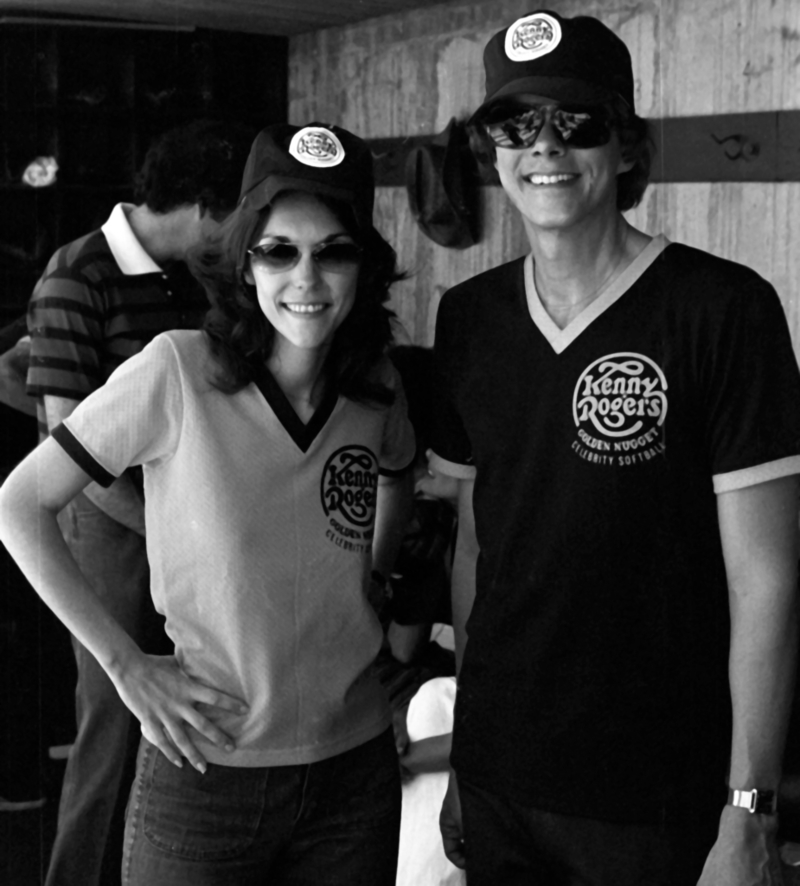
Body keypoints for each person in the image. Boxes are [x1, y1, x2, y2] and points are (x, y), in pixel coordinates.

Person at [431, 9, 800, 885]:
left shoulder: (725, 311)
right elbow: (479, 548)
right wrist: (462, 762)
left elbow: (769, 579)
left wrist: (749, 812)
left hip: (657, 793)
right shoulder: (469, 319)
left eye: (577, 122)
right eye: (516, 126)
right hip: (501, 779)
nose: (545, 147)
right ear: (492, 153)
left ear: (627, 149)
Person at [0, 121, 415, 885]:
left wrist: (376, 579)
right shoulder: (176, 371)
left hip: (353, 776)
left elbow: (396, 475)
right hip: (206, 775)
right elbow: (19, 504)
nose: (307, 278)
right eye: (279, 250)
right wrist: (125, 664)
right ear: (244, 260)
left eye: (335, 250)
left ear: (365, 265)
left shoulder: (376, 388)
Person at [22, 119, 255, 886]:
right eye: (233, 220)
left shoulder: (195, 274)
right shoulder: (75, 275)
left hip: (190, 518)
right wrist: (170, 530)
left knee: (197, 706)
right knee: (116, 722)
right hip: (113, 526)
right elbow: (70, 450)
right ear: (198, 204)